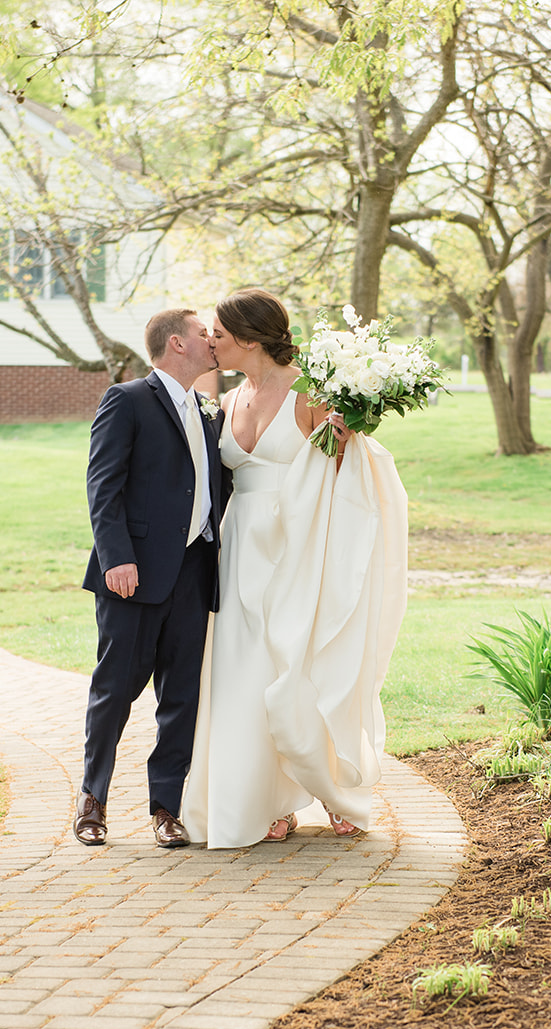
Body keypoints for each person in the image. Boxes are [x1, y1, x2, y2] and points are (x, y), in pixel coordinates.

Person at [180, 288, 409, 849]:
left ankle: (329, 788)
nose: (211, 342)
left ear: (252, 340)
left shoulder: (311, 392)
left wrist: (348, 431)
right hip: (239, 551)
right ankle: (267, 801)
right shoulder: (230, 398)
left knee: (300, 665)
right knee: (241, 673)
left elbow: (343, 478)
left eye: (220, 334)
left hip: (299, 548)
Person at [77, 308, 228, 848]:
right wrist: (117, 556)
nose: (212, 341)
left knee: (181, 696)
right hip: (133, 575)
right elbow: (103, 485)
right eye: (203, 333)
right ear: (176, 344)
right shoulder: (127, 399)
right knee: (116, 690)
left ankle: (167, 808)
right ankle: (92, 801)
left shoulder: (211, 411)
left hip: (194, 571)